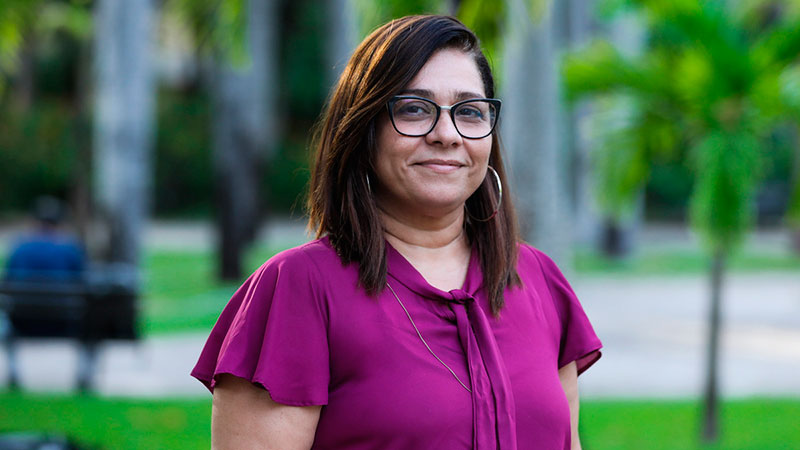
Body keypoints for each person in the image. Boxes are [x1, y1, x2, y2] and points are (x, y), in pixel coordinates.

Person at [192, 15, 602, 449]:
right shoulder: (298, 288)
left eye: (469, 111)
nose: (447, 134)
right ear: (364, 130)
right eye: (414, 109)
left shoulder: (537, 278)